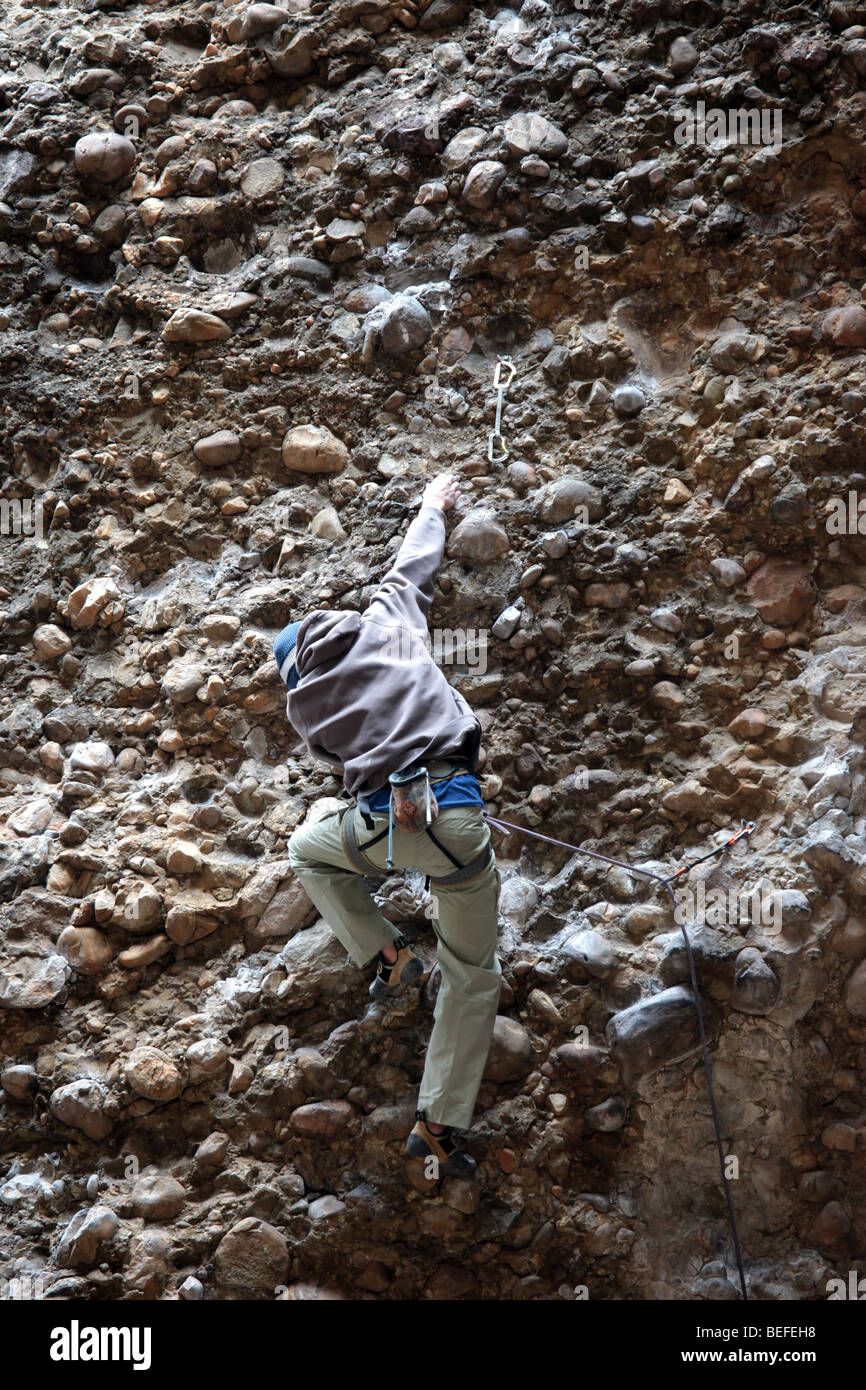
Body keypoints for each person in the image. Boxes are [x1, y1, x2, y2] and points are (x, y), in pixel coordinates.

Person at [275, 473, 501, 1178]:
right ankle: (438, 1125)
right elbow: (413, 565)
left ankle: (387, 956)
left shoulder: (304, 708)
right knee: (473, 975)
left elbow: (335, 759)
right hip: (457, 821)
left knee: (307, 851)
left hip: (382, 830)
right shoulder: (386, 624)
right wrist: (435, 504)